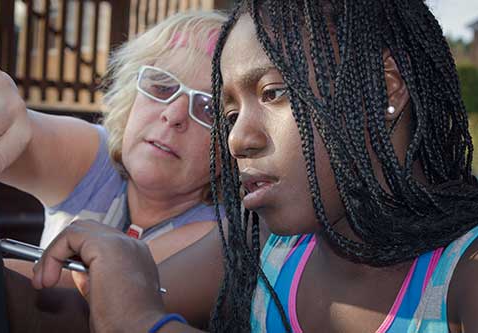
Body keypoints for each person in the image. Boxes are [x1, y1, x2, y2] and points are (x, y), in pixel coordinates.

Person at [32, 0, 478, 332]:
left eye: (273, 93)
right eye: (229, 114)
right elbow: (88, 311)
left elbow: (131, 312)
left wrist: (144, 322)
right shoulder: (265, 247)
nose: (237, 139)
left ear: (382, 89)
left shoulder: (465, 274)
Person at [0, 10, 228, 332]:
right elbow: (23, 133)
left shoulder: (220, 234)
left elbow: (102, 294)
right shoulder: (97, 156)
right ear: (132, 95)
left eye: (208, 107)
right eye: (161, 84)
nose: (173, 114)